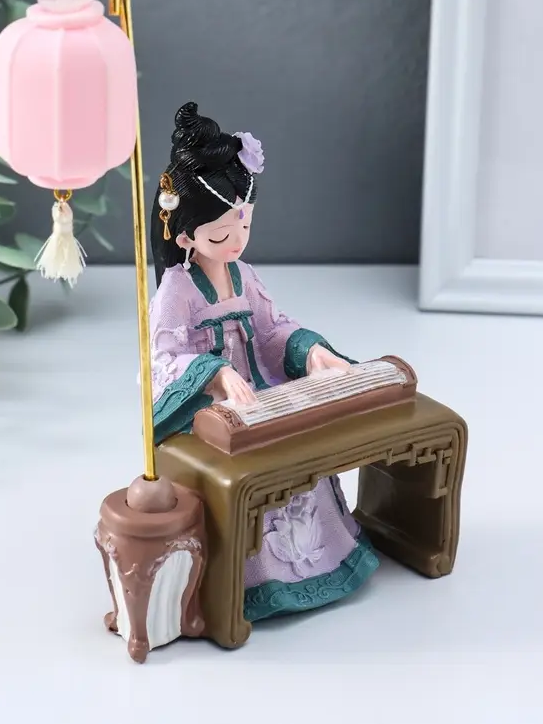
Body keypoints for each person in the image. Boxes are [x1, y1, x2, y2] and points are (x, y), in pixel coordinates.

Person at [149, 101, 379, 622]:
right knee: (255, 465)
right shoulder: (177, 290)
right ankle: (258, 578)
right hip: (209, 407)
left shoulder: (245, 276)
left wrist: (309, 350)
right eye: (219, 235)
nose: (235, 242)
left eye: (244, 226)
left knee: (303, 448)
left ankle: (325, 557)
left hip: (262, 390)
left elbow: (272, 330)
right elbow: (164, 356)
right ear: (185, 236)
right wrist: (214, 373)